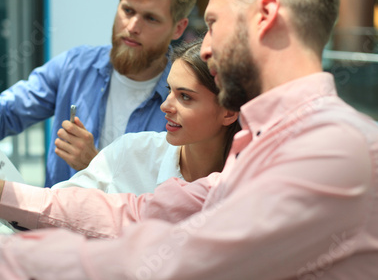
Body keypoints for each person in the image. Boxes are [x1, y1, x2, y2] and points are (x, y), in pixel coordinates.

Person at [0, 0, 378, 279]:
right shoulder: (264, 144)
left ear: (266, 15)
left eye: (212, 25)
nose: (205, 48)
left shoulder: (329, 148)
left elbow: (169, 260)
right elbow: (135, 214)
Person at [0, 0, 196, 187]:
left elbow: (174, 201)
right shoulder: (75, 66)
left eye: (151, 18)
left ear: (178, 28)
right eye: (127, 10)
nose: (132, 26)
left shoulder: (186, 98)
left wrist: (96, 165)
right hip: (58, 235)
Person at [52, 39, 240, 194]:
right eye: (169, 90)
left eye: (185, 96)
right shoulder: (130, 154)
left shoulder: (251, 183)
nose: (165, 106)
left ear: (229, 112)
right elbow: (57, 205)